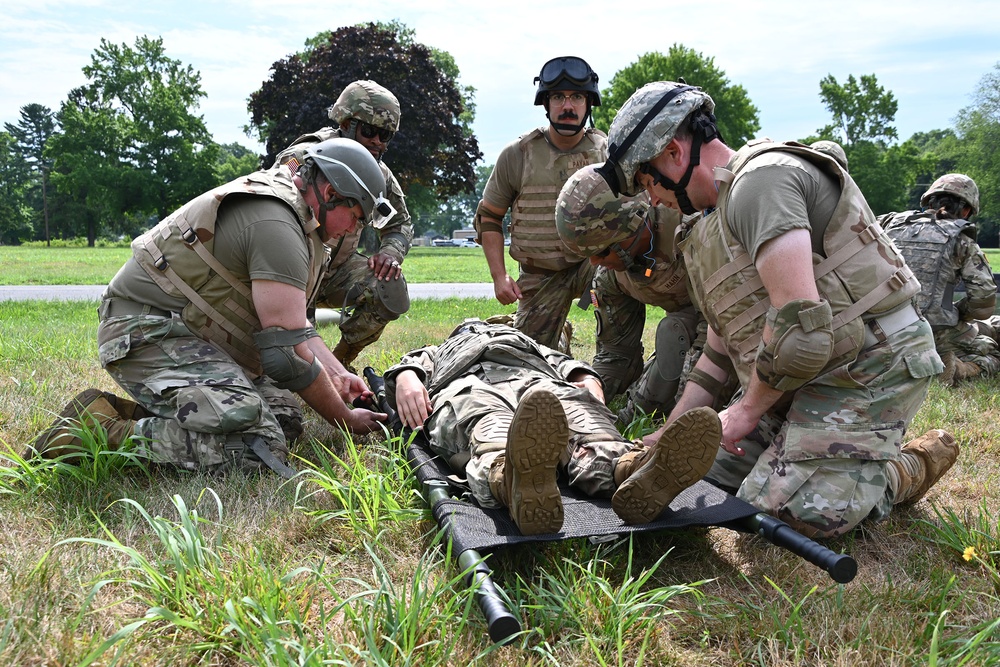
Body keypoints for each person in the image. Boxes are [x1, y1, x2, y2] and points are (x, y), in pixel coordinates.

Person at [595, 80, 958, 538]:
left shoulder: (762, 183)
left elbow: (800, 328)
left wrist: (745, 413)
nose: (652, 199)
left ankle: (903, 466)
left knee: (793, 513)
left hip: (870, 362)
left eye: (647, 182)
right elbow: (717, 352)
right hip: (796, 376)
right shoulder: (705, 224)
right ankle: (828, 452)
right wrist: (670, 436)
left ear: (672, 153)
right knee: (704, 478)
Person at [29, 138, 393, 474]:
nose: (353, 230)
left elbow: (298, 328)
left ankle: (122, 414)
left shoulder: (303, 223)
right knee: (256, 449)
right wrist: (343, 417)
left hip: (193, 331)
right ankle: (86, 434)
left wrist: (338, 376)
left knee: (282, 421)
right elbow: (287, 354)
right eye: (357, 217)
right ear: (331, 193)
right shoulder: (277, 223)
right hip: (146, 329)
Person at [384, 319, 720, 535]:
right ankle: (513, 480)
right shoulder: (439, 350)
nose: (483, 327)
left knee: (584, 421)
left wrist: (587, 379)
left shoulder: (524, 342)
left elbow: (564, 363)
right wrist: (407, 378)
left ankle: (632, 469)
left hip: (539, 384)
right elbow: (408, 366)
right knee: (490, 429)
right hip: (472, 384)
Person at [556, 164, 735, 420]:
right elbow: (616, 354)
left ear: (635, 225)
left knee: (674, 336)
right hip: (690, 324)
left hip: (726, 327)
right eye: (588, 255)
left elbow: (717, 330)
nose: (595, 262)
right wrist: (592, 393)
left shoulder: (693, 235)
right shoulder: (610, 276)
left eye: (602, 250)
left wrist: (686, 406)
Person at [272, 80, 413, 367]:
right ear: (347, 123)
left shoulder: (380, 176)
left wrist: (389, 254)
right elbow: (272, 196)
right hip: (292, 268)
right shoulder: (305, 157)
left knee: (388, 286)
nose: (377, 142)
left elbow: (400, 223)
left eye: (385, 135)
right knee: (293, 363)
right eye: (369, 131)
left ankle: (342, 360)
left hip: (336, 273)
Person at [474, 56, 608, 350]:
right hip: (541, 274)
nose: (568, 106)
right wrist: (499, 276)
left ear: (588, 104)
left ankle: (615, 356)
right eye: (558, 97)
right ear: (546, 104)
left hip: (595, 266)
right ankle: (557, 336)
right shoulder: (518, 154)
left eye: (577, 97)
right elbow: (489, 217)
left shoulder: (606, 154)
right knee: (530, 355)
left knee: (614, 285)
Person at [879, 174, 1000, 385]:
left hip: (880, 326)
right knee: (992, 352)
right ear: (966, 210)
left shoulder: (888, 225)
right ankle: (959, 370)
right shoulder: (962, 241)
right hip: (931, 331)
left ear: (928, 201)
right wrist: (955, 311)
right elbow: (983, 304)